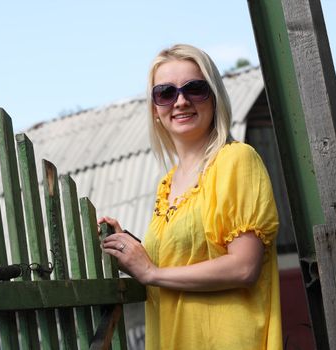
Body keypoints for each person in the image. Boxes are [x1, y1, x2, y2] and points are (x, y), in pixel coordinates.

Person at [99, 44, 282, 349]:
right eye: (166, 93)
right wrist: (130, 249)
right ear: (155, 109)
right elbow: (178, 266)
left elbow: (244, 267)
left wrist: (152, 271)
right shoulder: (167, 184)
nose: (181, 101)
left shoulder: (236, 160)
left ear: (215, 97)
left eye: (195, 89)